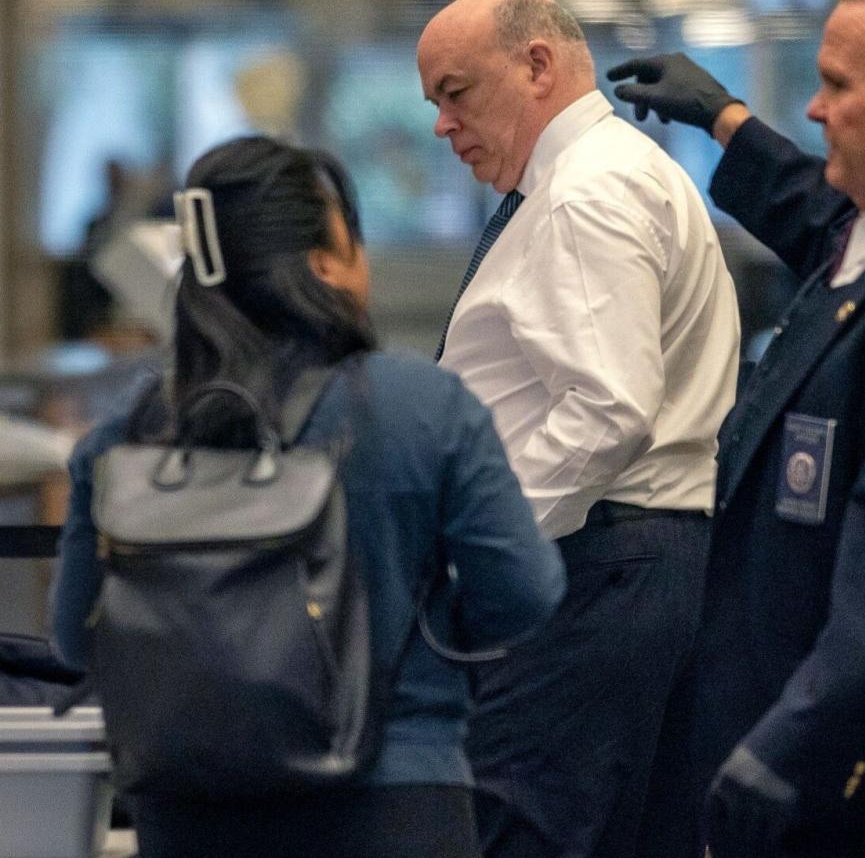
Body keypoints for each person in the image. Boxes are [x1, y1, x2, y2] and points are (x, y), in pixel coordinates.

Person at [50, 135, 566, 858]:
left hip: (187, 812)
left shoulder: (123, 440)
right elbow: (526, 593)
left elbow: (76, 639)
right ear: (327, 262)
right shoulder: (423, 407)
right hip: (396, 801)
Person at [608, 0, 865, 858]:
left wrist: (782, 754)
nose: (813, 108)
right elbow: (821, 215)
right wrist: (722, 117)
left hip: (861, 786)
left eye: (838, 85)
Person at [417, 0, 740, 858]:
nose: (443, 125)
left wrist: (488, 543)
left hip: (591, 563)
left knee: (527, 835)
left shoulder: (584, 193)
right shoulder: (604, 176)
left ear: (537, 64)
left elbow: (608, 407)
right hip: (632, 561)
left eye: (456, 92)